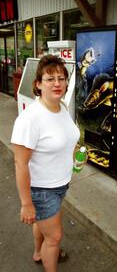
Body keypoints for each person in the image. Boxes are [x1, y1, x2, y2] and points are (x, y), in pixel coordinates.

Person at [11, 54, 80, 271]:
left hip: (60, 184)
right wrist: (26, 204)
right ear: (38, 84)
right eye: (50, 79)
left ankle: (38, 252)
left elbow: (65, 137)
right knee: (55, 236)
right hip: (41, 190)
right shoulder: (31, 118)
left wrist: (75, 152)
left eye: (61, 78)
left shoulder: (62, 108)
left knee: (44, 225)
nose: (57, 83)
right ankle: (49, 250)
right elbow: (20, 163)